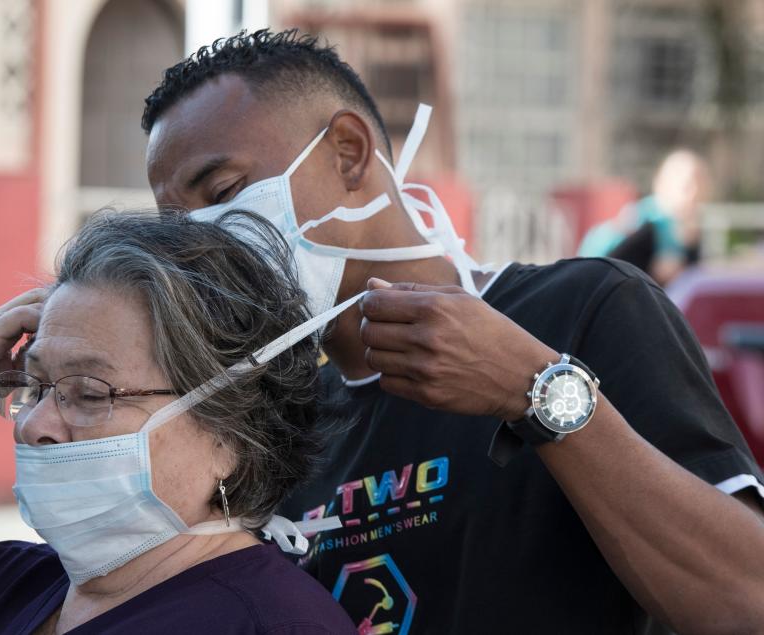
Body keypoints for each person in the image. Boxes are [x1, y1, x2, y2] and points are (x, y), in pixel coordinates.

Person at [142, 29, 764, 634]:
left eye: (223, 192)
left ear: (349, 154)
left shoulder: (585, 308)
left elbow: (745, 600)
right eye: (177, 226)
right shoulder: (283, 428)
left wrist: (538, 393)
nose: (201, 242)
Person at [0, 211, 357, 634]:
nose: (34, 424)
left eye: (88, 393)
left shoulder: (271, 622)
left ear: (230, 437)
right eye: (35, 386)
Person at [578, 149, 711, 286]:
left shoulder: (682, 225)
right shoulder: (650, 221)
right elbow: (664, 270)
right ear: (663, 183)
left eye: (700, 185)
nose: (694, 193)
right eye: (687, 186)